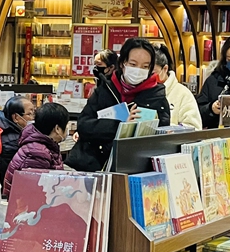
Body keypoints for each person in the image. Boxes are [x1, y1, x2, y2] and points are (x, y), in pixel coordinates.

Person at [66, 37, 172, 172]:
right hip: (94, 166)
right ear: (122, 63)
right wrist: (118, 125)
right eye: (133, 64)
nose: (138, 70)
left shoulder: (157, 97)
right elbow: (84, 125)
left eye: (145, 66)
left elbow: (162, 139)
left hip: (136, 169)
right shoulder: (106, 89)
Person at [3, 102, 69, 197]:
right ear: (57, 128)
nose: (67, 129)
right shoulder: (37, 153)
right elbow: (34, 194)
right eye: (66, 125)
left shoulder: (45, 145)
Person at [154, 45, 201, 130]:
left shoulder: (183, 93)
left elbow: (195, 129)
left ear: (165, 69)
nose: (148, 77)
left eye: (153, 73)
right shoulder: (140, 90)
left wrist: (168, 127)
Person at [0, 95, 34, 183]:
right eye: (29, 114)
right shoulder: (12, 141)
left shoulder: (0, 122)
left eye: (34, 113)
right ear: (16, 117)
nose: (33, 118)